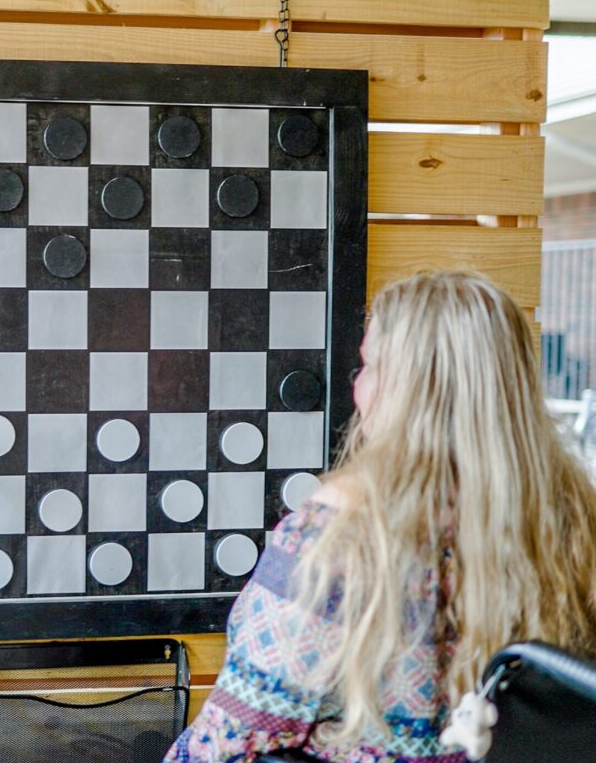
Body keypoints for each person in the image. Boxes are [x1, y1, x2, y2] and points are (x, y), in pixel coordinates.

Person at [165, 271, 596, 762]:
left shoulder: (340, 536)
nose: (357, 389)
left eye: (368, 367)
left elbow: (227, 741)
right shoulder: (575, 522)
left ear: (406, 388)